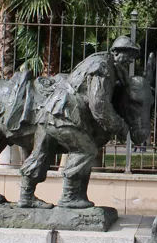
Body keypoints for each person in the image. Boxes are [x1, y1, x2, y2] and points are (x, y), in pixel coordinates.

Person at [54, 35, 140, 208]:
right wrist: (120, 126)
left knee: (87, 150)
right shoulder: (102, 66)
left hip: (72, 114)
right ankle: (68, 197)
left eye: (133, 57)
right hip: (68, 114)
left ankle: (78, 196)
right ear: (115, 52)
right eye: (128, 55)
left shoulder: (109, 65)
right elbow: (99, 104)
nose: (131, 60)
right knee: (86, 150)